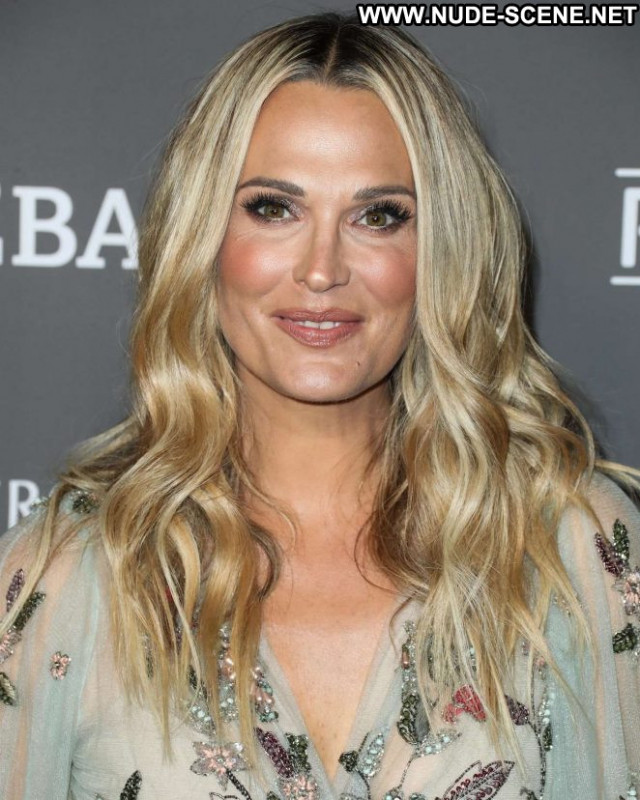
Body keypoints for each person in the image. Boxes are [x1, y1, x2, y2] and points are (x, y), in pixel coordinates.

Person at [0, 12, 638, 800]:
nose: (322, 269)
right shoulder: (69, 573)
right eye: (274, 208)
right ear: (202, 234)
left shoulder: (571, 552)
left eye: (379, 215)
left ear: (442, 250)